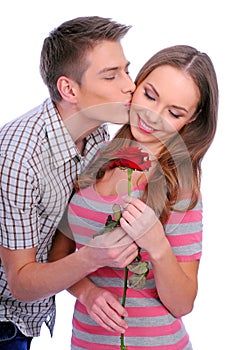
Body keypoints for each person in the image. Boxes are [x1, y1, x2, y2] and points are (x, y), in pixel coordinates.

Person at [49, 44, 218, 349]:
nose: (151, 116)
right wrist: (89, 293)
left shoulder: (180, 186)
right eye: (149, 95)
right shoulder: (95, 156)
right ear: (136, 83)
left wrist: (157, 245)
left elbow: (182, 304)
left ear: (191, 120)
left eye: (174, 112)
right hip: (85, 342)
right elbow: (58, 257)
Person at [0, 16, 138, 349]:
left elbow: (61, 242)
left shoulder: (96, 136)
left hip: (27, 318)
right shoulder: (19, 155)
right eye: (112, 75)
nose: (130, 85)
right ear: (69, 89)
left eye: (126, 70)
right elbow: (20, 281)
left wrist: (88, 291)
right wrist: (94, 257)